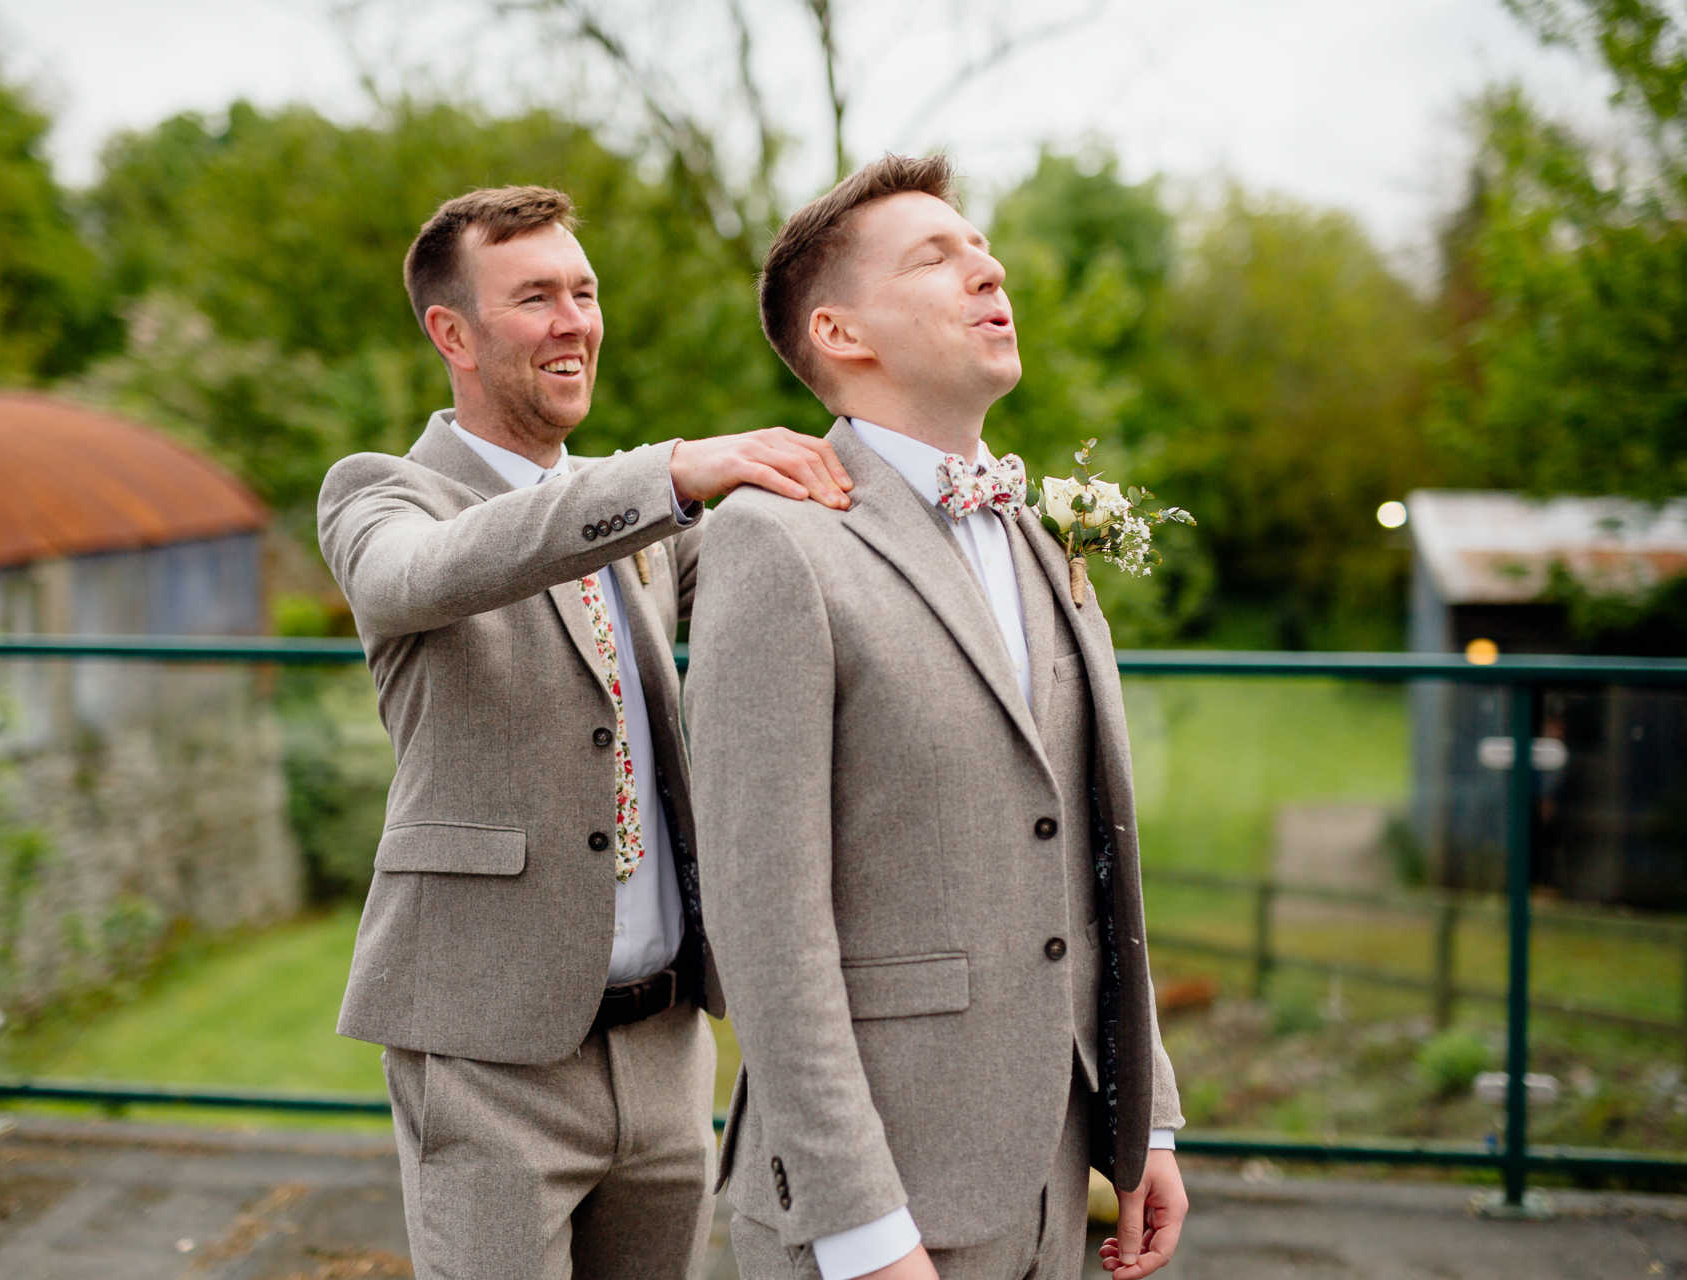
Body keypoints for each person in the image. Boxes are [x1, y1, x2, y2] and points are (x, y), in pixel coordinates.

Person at [317, 185, 853, 1280]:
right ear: (451, 333)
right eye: (535, 298)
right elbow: (419, 576)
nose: (574, 321)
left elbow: (795, 572)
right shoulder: (384, 496)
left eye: (584, 291)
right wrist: (663, 471)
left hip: (666, 1049)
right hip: (488, 1051)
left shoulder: (640, 520)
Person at [684, 155, 1189, 1280]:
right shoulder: (776, 543)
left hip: (1057, 1182)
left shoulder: (1043, 536)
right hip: (878, 1212)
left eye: (983, 246)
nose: (988, 266)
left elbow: (1093, 852)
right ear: (841, 332)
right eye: (937, 256)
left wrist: (1146, 1113)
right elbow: (766, 920)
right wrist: (862, 1223)